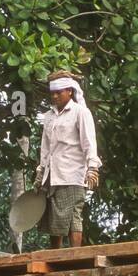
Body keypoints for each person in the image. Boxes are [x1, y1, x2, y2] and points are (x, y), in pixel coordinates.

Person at [37, 70, 100, 247]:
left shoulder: (80, 112)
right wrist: (41, 171)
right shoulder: (49, 116)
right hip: (53, 173)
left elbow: (89, 142)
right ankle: (55, 257)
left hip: (73, 173)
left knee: (73, 215)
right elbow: (45, 147)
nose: (55, 96)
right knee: (53, 217)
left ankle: (75, 255)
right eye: (52, 93)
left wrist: (92, 167)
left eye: (59, 92)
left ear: (70, 91)